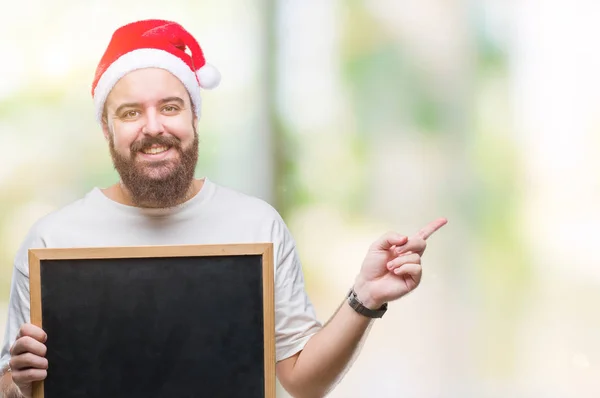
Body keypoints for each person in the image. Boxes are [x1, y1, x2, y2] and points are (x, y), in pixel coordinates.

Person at [0, 19, 447, 398]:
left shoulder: (255, 225)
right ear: (106, 127)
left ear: (194, 116)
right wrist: (17, 384)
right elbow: (11, 384)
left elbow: (302, 383)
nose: (153, 128)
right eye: (131, 113)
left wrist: (364, 298)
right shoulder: (53, 240)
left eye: (170, 107)